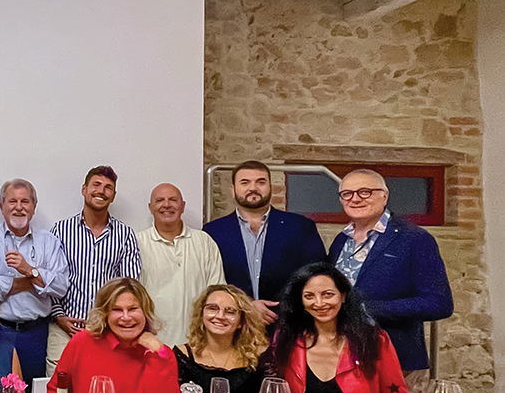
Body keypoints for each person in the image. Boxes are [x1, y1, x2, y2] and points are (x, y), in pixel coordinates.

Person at [328, 168, 453, 388]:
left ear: (384, 195)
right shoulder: (341, 240)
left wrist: (368, 309)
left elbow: (439, 303)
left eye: (365, 192)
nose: (355, 199)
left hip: (394, 358)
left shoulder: (414, 239)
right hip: (340, 355)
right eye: (347, 194)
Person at [272, 262, 408, 393]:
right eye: (309, 296)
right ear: (301, 302)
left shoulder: (375, 340)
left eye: (327, 294)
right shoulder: (287, 341)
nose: (319, 303)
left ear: (343, 296)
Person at [203, 160, 325, 326]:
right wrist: (246, 306)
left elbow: (316, 274)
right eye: (245, 182)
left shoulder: (300, 227)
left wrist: (282, 308)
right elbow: (210, 282)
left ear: (271, 188)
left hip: (288, 323)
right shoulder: (213, 232)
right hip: (233, 325)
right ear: (233, 190)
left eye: (261, 182)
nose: (253, 188)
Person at [48, 166, 141, 376]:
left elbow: (128, 286)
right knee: (58, 388)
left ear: (113, 196)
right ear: (84, 189)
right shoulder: (60, 230)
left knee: (102, 387)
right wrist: (59, 316)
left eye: (108, 188)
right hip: (62, 329)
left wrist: (109, 320)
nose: (101, 191)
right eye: (96, 185)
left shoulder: (125, 235)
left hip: (108, 330)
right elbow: (49, 279)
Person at [0, 179, 69, 393]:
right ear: (2, 206)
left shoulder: (49, 241)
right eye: (12, 201)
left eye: (25, 201)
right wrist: (35, 279)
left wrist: (29, 270)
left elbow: (61, 287)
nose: (19, 207)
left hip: (36, 334)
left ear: (34, 207)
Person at [47, 277, 180, 393]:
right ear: (105, 314)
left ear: (146, 312)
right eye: (117, 310)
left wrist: (158, 354)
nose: (126, 317)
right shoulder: (82, 342)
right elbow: (56, 390)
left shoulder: (162, 354)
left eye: (133, 309)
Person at [138, 183, 225, 347]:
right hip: (152, 345)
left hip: (198, 345)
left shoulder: (204, 242)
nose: (166, 205)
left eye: (173, 200)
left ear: (183, 206)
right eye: (159, 200)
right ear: (150, 207)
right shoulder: (136, 244)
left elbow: (218, 294)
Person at [174, 284, 274, 393]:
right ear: (201, 314)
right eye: (212, 308)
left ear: (241, 321)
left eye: (230, 311)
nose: (220, 316)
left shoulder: (261, 355)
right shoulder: (182, 355)